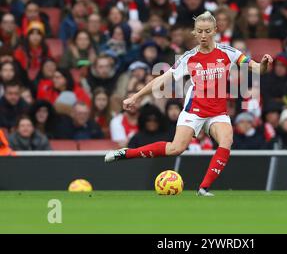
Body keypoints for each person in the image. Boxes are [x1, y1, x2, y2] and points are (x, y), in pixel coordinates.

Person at [105, 11, 273, 196]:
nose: (203, 35)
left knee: (226, 140)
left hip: (217, 113)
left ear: (215, 30)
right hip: (194, 111)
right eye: (199, 31)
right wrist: (135, 96)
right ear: (194, 33)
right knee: (175, 149)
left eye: (207, 31)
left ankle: (203, 188)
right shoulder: (188, 58)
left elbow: (257, 68)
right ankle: (126, 153)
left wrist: (264, 63)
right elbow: (162, 80)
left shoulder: (229, 52)